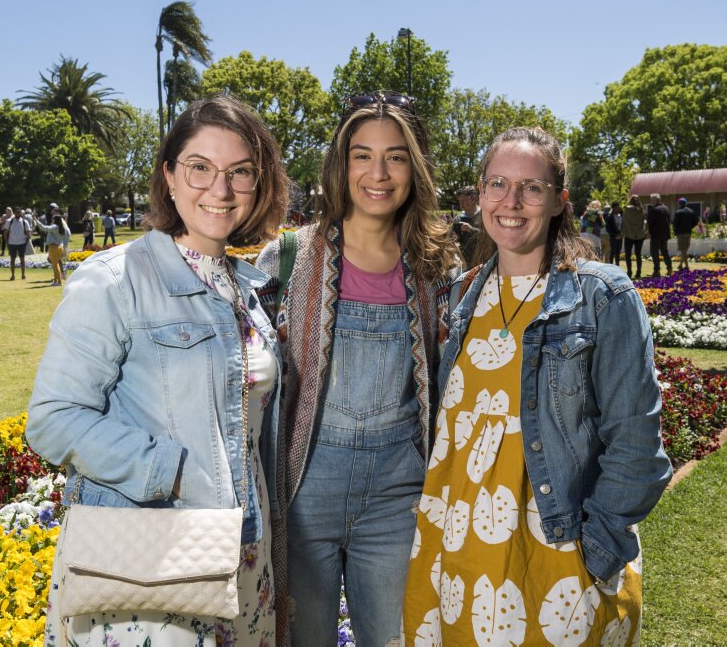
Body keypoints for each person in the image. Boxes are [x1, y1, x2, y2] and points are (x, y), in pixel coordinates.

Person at [26, 94, 289, 647]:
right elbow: (53, 419)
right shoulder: (116, 280)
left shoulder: (250, 290)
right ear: (169, 176)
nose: (220, 189)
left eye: (239, 172)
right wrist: (166, 471)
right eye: (200, 167)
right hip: (155, 550)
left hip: (242, 555)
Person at [403, 126, 672, 645]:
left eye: (532, 187)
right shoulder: (463, 296)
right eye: (497, 184)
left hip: (557, 556)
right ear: (479, 194)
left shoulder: (602, 295)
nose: (512, 201)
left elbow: (638, 445)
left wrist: (598, 550)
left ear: (558, 202)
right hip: (456, 551)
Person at [255, 92, 461, 646]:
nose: (378, 173)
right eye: (361, 155)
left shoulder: (437, 264)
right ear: (339, 165)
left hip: (398, 494)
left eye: (395, 156)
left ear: (414, 168)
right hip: (303, 491)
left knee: (398, 638)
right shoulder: (288, 258)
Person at [35, 210, 71, 286]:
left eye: (53, 219)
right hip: (60, 247)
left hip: (53, 247)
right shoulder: (62, 227)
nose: (52, 220)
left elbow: (44, 228)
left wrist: (36, 220)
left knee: (55, 265)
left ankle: (59, 282)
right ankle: (55, 280)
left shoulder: (55, 226)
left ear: (55, 220)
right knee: (56, 264)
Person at [453, 185, 481, 267]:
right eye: (459, 201)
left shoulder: (485, 216)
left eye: (463, 200)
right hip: (464, 263)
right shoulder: (458, 218)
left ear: (473, 198)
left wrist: (471, 229)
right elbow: (451, 237)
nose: (461, 204)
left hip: (483, 262)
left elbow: (491, 238)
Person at [646, 193, 672, 277]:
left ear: (656, 200)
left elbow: (650, 223)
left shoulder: (653, 210)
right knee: (665, 251)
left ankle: (656, 271)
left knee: (654, 252)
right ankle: (669, 268)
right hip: (665, 234)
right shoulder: (666, 208)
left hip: (656, 234)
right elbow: (669, 221)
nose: (651, 201)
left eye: (652, 200)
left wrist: (648, 233)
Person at [672, 197, 699, 272]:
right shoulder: (691, 211)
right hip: (688, 232)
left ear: (679, 203)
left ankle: (686, 266)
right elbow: (696, 222)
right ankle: (680, 265)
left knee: (683, 250)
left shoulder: (678, 212)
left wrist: (675, 231)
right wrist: (690, 226)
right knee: (685, 250)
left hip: (680, 233)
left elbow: (675, 223)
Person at [622, 195, 646, 279]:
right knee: (638, 254)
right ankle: (638, 272)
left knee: (628, 255)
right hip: (639, 234)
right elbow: (644, 222)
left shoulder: (626, 210)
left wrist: (623, 232)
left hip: (629, 234)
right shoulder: (641, 210)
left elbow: (624, 222)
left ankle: (629, 272)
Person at [6, 208, 32, 280]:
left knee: (22, 260)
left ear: (21, 213)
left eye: (19, 212)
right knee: (12, 260)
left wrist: (26, 243)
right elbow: (6, 232)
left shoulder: (25, 221)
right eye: (16, 212)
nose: (18, 214)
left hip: (22, 243)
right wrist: (7, 242)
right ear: (14, 213)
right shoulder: (9, 221)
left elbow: (28, 233)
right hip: (12, 243)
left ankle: (23, 275)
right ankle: (12, 275)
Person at [605, 200, 624, 267]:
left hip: (620, 236)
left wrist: (621, 234)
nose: (619, 208)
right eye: (618, 206)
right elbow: (608, 228)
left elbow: (623, 225)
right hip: (613, 237)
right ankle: (611, 266)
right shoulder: (609, 216)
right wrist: (615, 235)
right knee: (612, 251)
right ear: (614, 207)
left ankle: (617, 265)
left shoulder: (621, 215)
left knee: (618, 252)